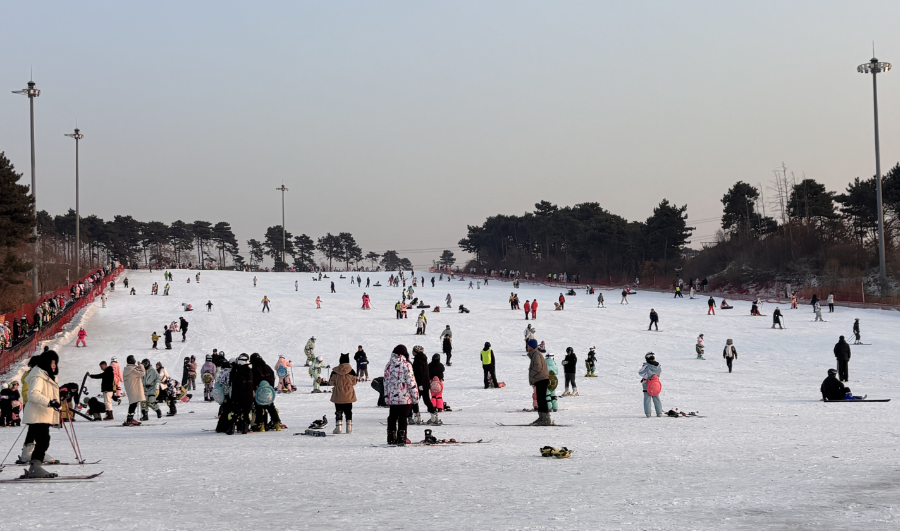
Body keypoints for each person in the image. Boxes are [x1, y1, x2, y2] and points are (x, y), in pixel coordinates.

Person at [21, 350, 61, 478]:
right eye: (52, 362)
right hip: (37, 415)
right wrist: (50, 402)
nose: (54, 365)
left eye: (55, 362)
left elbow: (46, 393)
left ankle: (34, 465)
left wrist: (57, 399)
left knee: (43, 440)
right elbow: (33, 394)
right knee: (43, 441)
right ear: (46, 362)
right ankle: (35, 467)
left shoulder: (46, 376)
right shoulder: (39, 377)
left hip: (41, 414)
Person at [384, 345, 418, 446]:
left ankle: (391, 436)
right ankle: (402, 437)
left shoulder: (388, 365)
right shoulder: (406, 365)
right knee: (403, 416)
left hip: (393, 397)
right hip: (405, 397)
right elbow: (411, 382)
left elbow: (385, 382)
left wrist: (386, 396)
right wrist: (415, 396)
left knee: (392, 416)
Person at [250, 353, 282, 431]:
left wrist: (254, 390)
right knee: (271, 407)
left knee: (259, 408)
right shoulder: (267, 367)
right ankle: (277, 423)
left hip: (259, 392)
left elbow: (252, 381)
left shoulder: (254, 369)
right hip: (269, 392)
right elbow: (273, 378)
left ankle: (261, 425)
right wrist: (270, 388)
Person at [328, 353, 358, 434]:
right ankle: (349, 428)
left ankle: (339, 428)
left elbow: (331, 382)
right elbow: (354, 382)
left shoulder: (335, 371)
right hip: (349, 394)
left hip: (338, 394)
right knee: (348, 411)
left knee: (338, 411)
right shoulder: (352, 371)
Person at [527, 339, 553, 425]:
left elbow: (538, 367)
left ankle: (545, 418)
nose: (527, 347)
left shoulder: (536, 354)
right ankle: (542, 417)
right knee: (540, 399)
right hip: (540, 379)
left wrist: (531, 373)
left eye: (528, 345)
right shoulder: (535, 354)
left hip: (541, 379)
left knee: (541, 399)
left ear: (531, 346)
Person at [411, 346, 438, 425]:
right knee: (427, 400)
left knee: (415, 401)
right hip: (425, 384)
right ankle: (434, 416)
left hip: (420, 384)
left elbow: (419, 373)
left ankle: (416, 417)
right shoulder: (423, 359)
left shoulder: (418, 360)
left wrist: (420, 384)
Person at [230, 353, 255, 434]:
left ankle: (231, 429)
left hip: (239, 396)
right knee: (246, 412)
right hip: (249, 396)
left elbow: (233, 384)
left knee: (236, 412)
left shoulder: (237, 372)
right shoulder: (250, 371)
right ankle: (245, 429)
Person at [122, 355, 146, 426]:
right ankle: (130, 419)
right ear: (131, 360)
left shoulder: (127, 369)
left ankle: (130, 418)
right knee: (133, 403)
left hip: (131, 388)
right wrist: (141, 365)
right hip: (134, 389)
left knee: (133, 403)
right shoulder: (132, 370)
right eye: (134, 359)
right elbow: (142, 373)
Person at [639, 352, 663, 417]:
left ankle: (648, 413)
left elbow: (640, 372)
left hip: (647, 384)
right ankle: (659, 413)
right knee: (656, 398)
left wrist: (646, 377)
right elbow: (659, 373)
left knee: (647, 398)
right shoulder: (658, 366)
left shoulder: (646, 366)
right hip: (656, 384)